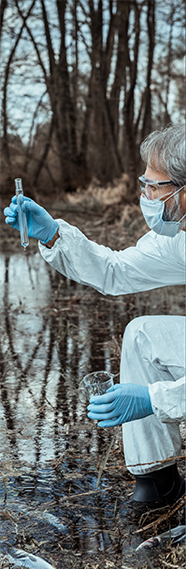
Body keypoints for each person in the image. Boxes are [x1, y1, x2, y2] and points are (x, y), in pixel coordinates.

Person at [4, 124, 186, 505]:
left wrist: (156, 399)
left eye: (156, 187)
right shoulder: (179, 235)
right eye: (144, 184)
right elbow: (115, 271)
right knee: (143, 334)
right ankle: (157, 481)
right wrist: (53, 234)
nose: (146, 196)